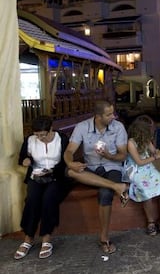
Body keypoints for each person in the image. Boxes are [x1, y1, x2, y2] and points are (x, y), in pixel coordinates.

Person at [64, 100, 129, 254]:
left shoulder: (118, 127)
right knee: (70, 171)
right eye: (109, 114)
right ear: (98, 116)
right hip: (91, 168)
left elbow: (122, 156)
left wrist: (108, 156)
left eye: (113, 113)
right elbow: (69, 151)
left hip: (112, 167)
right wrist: (71, 163)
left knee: (105, 193)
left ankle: (104, 238)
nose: (113, 117)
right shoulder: (82, 127)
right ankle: (116, 186)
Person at [14, 116, 69, 260]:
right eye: (37, 135)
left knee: (49, 199)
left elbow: (66, 161)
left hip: (56, 176)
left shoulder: (61, 138)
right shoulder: (30, 140)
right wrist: (26, 161)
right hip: (36, 176)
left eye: (43, 134)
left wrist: (52, 171)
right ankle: (28, 238)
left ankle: (46, 239)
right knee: (31, 199)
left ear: (51, 129)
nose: (40, 138)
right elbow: (22, 157)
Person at [123, 119, 160, 236]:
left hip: (148, 169)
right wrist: (156, 157)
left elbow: (155, 152)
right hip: (136, 170)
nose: (151, 134)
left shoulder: (146, 140)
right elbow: (139, 162)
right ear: (142, 132)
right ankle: (150, 222)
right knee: (146, 192)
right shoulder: (131, 143)